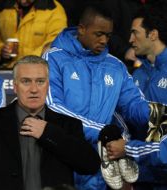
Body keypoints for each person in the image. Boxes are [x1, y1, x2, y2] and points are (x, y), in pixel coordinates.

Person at [42, 2, 156, 190]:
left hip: (101, 169)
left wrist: (162, 118)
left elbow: (134, 105)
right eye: (99, 34)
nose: (104, 40)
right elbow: (54, 108)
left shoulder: (116, 66)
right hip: (63, 161)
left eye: (108, 35)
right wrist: (103, 132)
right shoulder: (54, 58)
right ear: (81, 29)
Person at [0, 55, 100, 190]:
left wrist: (48, 133)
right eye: (26, 81)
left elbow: (89, 165)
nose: (34, 89)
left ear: (48, 86)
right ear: (15, 86)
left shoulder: (68, 125)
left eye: (40, 81)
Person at [106, 2, 167, 189]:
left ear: (153, 34)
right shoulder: (136, 74)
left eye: (135, 33)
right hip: (140, 177)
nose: (130, 39)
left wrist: (128, 148)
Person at [0, 0, 67, 69]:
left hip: (40, 69)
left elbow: (56, 42)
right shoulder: (2, 9)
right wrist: (1, 51)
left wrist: (28, 61)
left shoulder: (53, 9)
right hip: (7, 70)